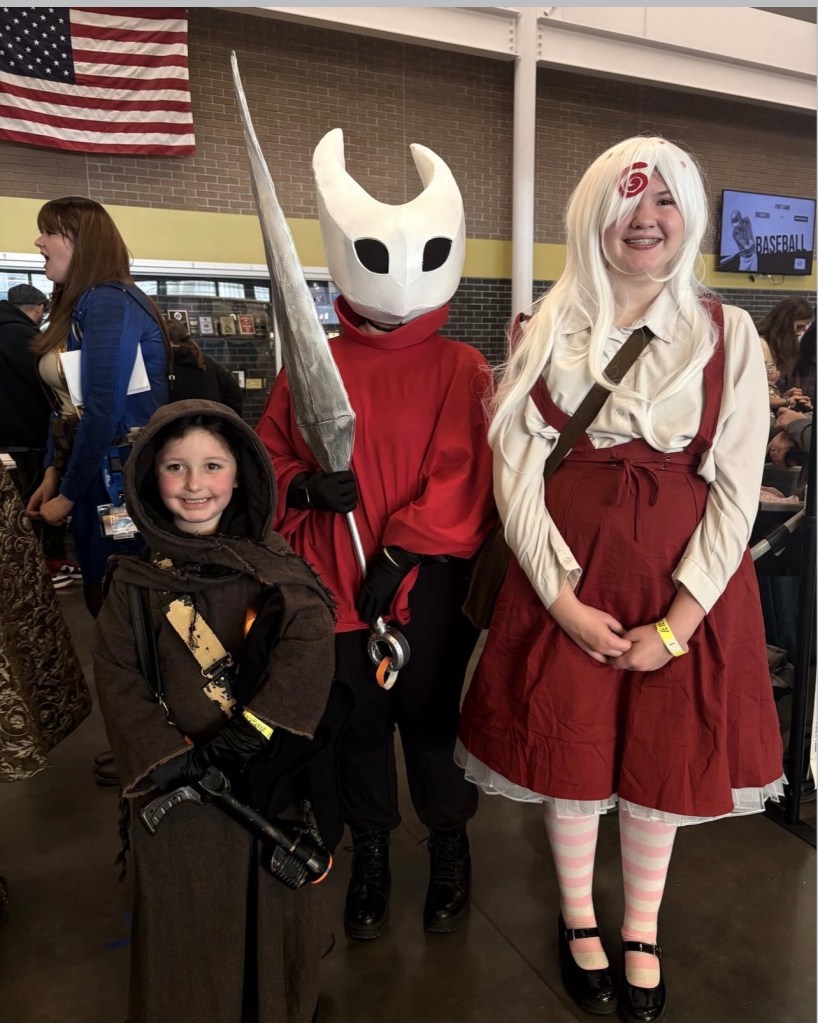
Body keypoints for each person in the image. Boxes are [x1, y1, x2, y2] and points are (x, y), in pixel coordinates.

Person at [456, 136, 784, 1023]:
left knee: (662, 757)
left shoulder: (728, 334)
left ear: (691, 215)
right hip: (567, 584)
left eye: (665, 199)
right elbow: (516, 479)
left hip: (683, 591)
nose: (646, 218)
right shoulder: (540, 327)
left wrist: (679, 621)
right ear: (591, 215)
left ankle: (640, 926)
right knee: (567, 750)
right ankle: (579, 918)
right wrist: (562, 601)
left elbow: (737, 489)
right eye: (627, 199)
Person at [258, 128, 494, 940]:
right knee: (358, 728)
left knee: (430, 721)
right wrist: (301, 486)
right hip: (333, 585)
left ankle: (450, 844)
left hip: (424, 586)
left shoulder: (461, 366)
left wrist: (403, 544)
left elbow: (466, 469)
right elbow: (265, 459)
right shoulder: (309, 365)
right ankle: (372, 853)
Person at [93, 400, 337, 1023]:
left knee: (271, 911)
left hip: (265, 783)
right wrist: (168, 760)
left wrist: (248, 736)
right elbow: (118, 676)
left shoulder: (275, 569)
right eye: (175, 466)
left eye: (212, 465)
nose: (194, 484)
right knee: (189, 920)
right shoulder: (133, 582)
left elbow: (308, 647)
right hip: (177, 792)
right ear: (150, 477)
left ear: (240, 474)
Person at [25, 197, 169, 618]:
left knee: (118, 597)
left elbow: (103, 409)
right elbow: (67, 404)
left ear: (81, 241)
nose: (39, 241)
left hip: (117, 480)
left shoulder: (108, 301)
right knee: (105, 590)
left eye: (50, 232)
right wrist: (53, 471)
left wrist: (68, 493)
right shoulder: (83, 304)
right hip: (95, 473)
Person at [0, 283, 71, 577]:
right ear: (40, 308)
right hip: (32, 431)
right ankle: (50, 561)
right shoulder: (27, 337)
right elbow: (44, 385)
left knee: (18, 500)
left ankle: (24, 563)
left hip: (8, 434)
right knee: (39, 497)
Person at [166, 318, 245, 415]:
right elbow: (235, 394)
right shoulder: (205, 361)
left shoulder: (165, 365)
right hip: (210, 422)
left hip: (179, 423)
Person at [756, 296, 814, 413]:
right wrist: (787, 401)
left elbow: (767, 390)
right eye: (799, 327)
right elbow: (751, 393)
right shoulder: (759, 345)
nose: (799, 334)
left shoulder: (775, 347)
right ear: (785, 321)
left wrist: (785, 396)